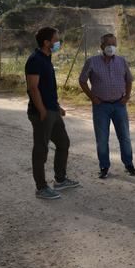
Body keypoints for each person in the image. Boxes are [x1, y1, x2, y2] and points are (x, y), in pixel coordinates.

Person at [25, 27, 80, 199]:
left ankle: (60, 180)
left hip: (52, 110)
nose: (58, 42)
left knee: (63, 143)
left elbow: (47, 88)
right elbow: (33, 88)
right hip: (41, 112)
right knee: (41, 150)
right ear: (46, 42)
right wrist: (42, 110)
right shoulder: (35, 60)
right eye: (56, 39)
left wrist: (57, 107)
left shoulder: (46, 58)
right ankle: (41, 188)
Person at [79, 33, 135, 179]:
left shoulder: (122, 61)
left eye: (114, 44)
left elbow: (129, 80)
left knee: (124, 136)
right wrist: (92, 97)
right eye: (109, 44)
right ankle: (104, 166)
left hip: (119, 105)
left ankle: (128, 164)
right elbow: (82, 80)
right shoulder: (92, 61)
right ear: (102, 46)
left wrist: (127, 96)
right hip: (101, 106)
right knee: (102, 138)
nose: (111, 47)